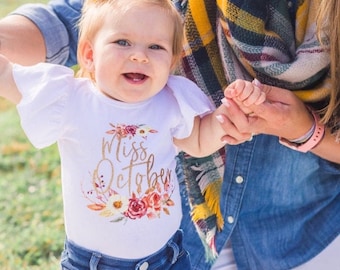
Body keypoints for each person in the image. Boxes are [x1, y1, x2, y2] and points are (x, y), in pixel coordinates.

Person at [1, 0, 339, 269]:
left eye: (156, 48)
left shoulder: (174, 99)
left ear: (174, 59)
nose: (139, 54)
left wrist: (228, 117)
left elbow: (199, 138)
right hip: (94, 261)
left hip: (170, 256)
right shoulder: (68, 99)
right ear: (89, 55)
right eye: (122, 42)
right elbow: (15, 69)